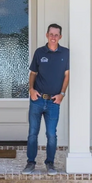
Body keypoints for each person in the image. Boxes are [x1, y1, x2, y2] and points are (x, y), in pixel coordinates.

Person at [22, 23, 69, 175]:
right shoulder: (39, 52)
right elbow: (33, 74)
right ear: (47, 35)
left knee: (51, 134)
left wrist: (62, 94)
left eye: (56, 35)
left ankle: (50, 163)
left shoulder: (66, 54)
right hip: (37, 99)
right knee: (32, 133)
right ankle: (30, 162)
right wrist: (31, 90)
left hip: (53, 102)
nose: (53, 37)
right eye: (51, 34)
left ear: (60, 37)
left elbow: (67, 75)